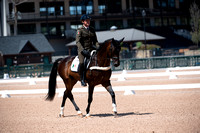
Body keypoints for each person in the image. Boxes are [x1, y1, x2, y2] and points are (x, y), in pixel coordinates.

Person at [76, 14, 100, 86]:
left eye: (89, 20)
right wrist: (82, 50)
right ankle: (82, 79)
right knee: (82, 63)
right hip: (82, 50)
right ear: (83, 22)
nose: (88, 22)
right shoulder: (80, 30)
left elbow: (95, 41)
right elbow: (78, 42)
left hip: (91, 49)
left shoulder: (92, 29)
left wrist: (98, 47)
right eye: (86, 20)